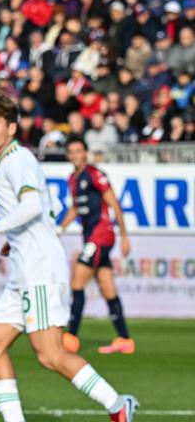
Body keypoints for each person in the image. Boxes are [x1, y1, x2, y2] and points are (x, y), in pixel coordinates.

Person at [0, 90, 137, 422]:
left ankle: (117, 404)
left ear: (11, 128)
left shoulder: (17, 159)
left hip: (39, 270)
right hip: (22, 270)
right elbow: (42, 208)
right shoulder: (6, 162)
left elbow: (31, 204)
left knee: (49, 353)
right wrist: (13, 238)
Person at [58, 140, 134, 354]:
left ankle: (71, 337)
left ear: (85, 153)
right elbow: (75, 208)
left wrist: (125, 235)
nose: (74, 155)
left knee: (77, 280)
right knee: (107, 285)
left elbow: (114, 203)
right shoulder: (72, 179)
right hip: (91, 237)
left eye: (78, 151)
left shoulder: (95, 174)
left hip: (101, 236)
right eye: (70, 151)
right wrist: (60, 229)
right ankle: (125, 339)